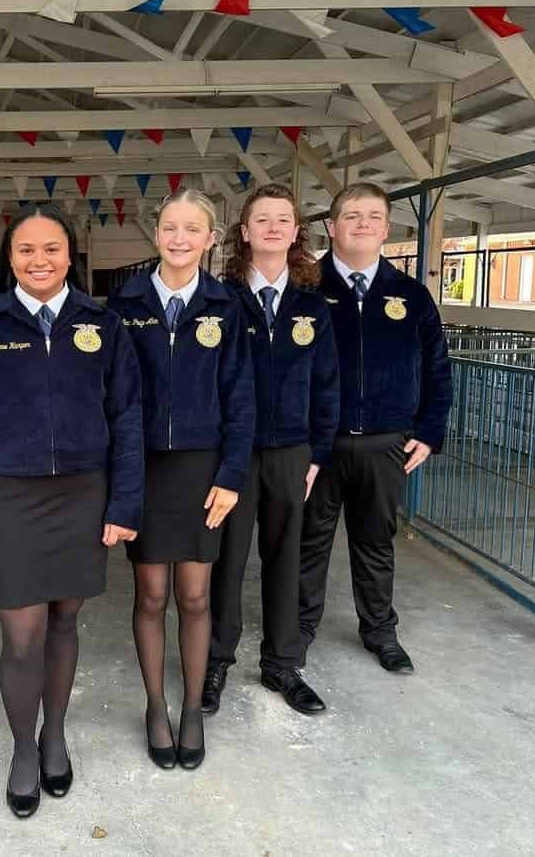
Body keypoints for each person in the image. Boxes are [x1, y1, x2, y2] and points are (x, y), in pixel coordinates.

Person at [0, 203, 143, 819]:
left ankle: (54, 734)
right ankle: (24, 748)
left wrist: (125, 501)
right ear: (9, 258)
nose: (39, 260)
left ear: (69, 255)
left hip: (83, 495)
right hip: (9, 498)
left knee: (63, 623)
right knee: (22, 635)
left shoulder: (103, 325)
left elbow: (127, 419)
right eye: (25, 249)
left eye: (51, 248)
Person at [106, 189, 254, 770]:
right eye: (170, 227)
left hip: (201, 470)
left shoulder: (226, 305)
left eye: (193, 229)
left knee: (194, 595)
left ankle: (192, 707)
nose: (179, 238)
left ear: (210, 239)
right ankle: (155, 706)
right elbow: (113, 394)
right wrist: (117, 477)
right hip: (142, 467)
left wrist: (232, 473)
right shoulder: (126, 302)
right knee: (151, 595)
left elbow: (240, 396)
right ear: (156, 233)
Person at [297, 182, 453, 676]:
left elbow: (437, 368)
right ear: (332, 226)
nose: (362, 224)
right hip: (317, 447)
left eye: (373, 217)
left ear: (386, 229)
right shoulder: (305, 290)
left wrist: (429, 430)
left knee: (375, 541)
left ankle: (380, 630)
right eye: (351, 216)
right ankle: (297, 629)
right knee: (307, 542)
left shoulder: (412, 296)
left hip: (387, 443)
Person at [203, 183, 339, 717]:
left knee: (286, 558)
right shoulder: (221, 300)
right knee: (227, 559)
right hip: (234, 453)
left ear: (296, 232)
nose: (274, 227)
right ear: (244, 232)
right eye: (262, 219)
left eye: (284, 219)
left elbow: (326, 384)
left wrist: (317, 453)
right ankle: (215, 659)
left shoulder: (312, 305)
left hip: (291, 452)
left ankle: (283, 662)